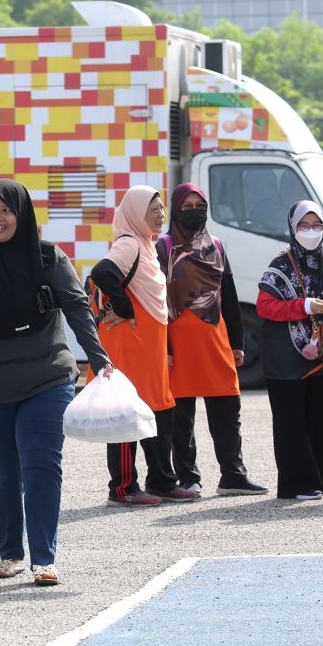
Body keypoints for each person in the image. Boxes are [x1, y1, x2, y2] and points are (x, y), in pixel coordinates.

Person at [0, 180, 112, 586]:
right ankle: (10, 553)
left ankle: (44, 558)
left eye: (6, 210)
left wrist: (99, 357)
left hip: (46, 378)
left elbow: (77, 308)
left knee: (41, 465)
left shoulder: (49, 258)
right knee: (2, 472)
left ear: (23, 213)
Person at [90, 186, 197, 508]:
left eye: (162, 209)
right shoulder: (129, 244)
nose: (161, 215)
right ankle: (122, 488)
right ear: (136, 214)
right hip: (129, 345)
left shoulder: (146, 246)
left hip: (147, 347)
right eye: (154, 210)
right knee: (126, 413)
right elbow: (102, 272)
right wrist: (124, 308)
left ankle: (162, 481)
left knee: (159, 410)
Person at [157, 184, 267, 496]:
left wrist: (238, 342)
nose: (194, 210)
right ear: (176, 209)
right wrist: (163, 348)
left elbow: (229, 297)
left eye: (199, 204)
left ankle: (232, 475)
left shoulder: (216, 245)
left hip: (215, 339)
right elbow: (156, 302)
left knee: (228, 410)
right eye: (187, 205)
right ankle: (188, 478)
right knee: (181, 417)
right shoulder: (163, 248)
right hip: (177, 342)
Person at [255, 200, 323, 501]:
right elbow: (265, 307)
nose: (311, 231)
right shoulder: (280, 264)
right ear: (293, 228)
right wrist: (304, 305)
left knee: (322, 416)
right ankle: (296, 483)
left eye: (316, 225)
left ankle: (319, 474)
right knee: (291, 421)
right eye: (304, 226)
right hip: (286, 358)